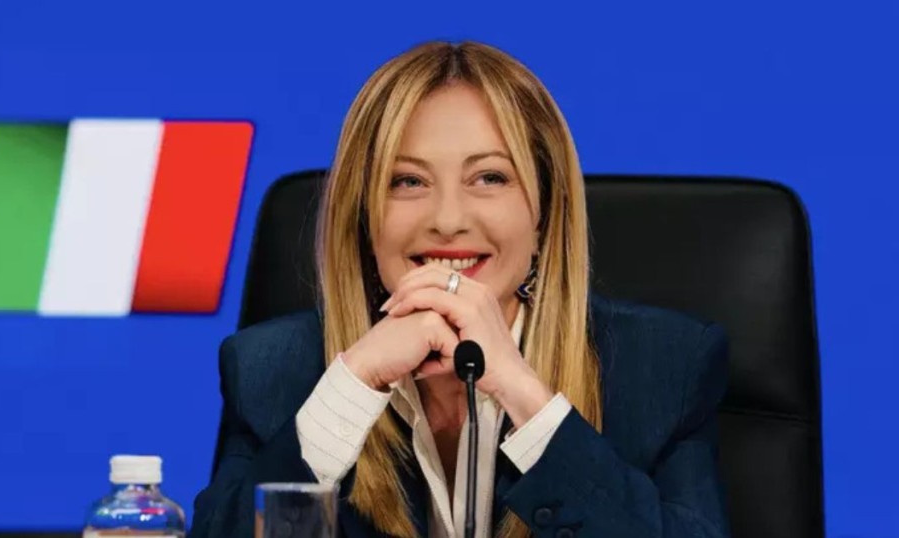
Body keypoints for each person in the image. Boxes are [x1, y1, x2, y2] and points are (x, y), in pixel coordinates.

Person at [189, 41, 729, 538]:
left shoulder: (664, 368)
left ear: (544, 215)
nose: (448, 220)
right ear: (363, 219)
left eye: (490, 178)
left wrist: (524, 395)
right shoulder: (271, 370)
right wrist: (353, 385)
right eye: (408, 181)